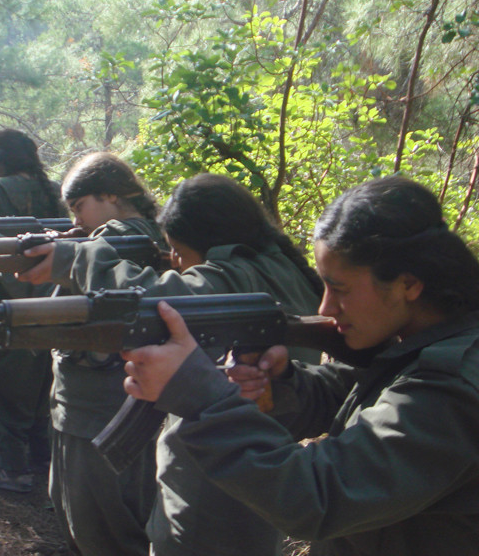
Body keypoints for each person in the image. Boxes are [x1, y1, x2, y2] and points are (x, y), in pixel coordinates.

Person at [120, 176, 479, 556]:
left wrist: (199, 396)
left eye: (339, 289)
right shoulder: (422, 346)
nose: (325, 309)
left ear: (409, 284)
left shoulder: (453, 386)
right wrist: (283, 383)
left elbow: (319, 496)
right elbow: (352, 395)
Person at [19, 173, 323, 555]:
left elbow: (151, 298)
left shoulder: (235, 276)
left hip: (214, 477)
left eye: (177, 249)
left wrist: (81, 255)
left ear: (210, 240)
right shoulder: (279, 267)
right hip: (254, 460)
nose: (176, 261)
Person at [49, 153, 166, 556]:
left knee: (103, 534)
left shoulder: (116, 238)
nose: (76, 219)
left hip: (97, 414)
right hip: (104, 409)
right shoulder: (156, 235)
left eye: (79, 206)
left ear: (111, 195)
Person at [0, 129, 66, 493]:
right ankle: (41, 457)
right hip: (49, 299)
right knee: (40, 379)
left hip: (0, 301)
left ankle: (13, 469)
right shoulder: (55, 191)